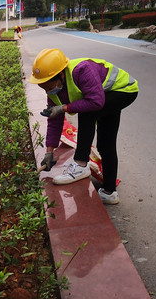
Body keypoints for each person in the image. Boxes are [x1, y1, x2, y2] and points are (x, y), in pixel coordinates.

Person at [29, 48, 138, 204]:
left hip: (123, 90)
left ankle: (80, 164)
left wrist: (64, 108)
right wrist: (49, 152)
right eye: (42, 86)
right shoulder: (53, 91)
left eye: (48, 84)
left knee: (87, 111)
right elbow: (54, 121)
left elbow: (96, 101)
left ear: (60, 74)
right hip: (105, 95)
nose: (47, 89)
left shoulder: (82, 70)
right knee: (105, 144)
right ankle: (109, 192)